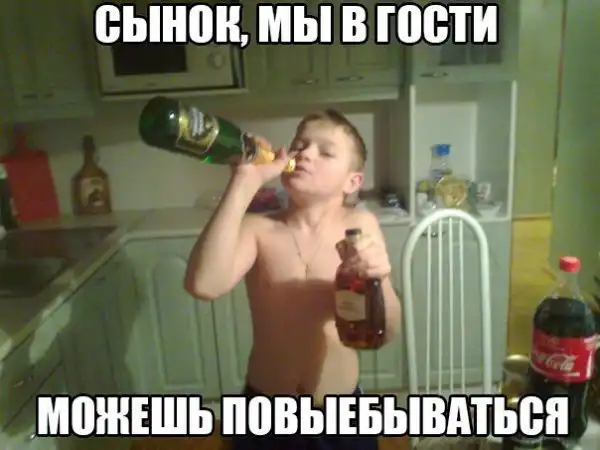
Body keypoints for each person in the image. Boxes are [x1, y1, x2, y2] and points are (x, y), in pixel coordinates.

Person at [184, 109, 402, 449]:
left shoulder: (359, 226)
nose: (306, 154)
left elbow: (386, 333)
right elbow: (204, 285)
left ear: (352, 182)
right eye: (300, 145)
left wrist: (380, 279)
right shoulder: (259, 229)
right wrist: (244, 181)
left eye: (326, 152)